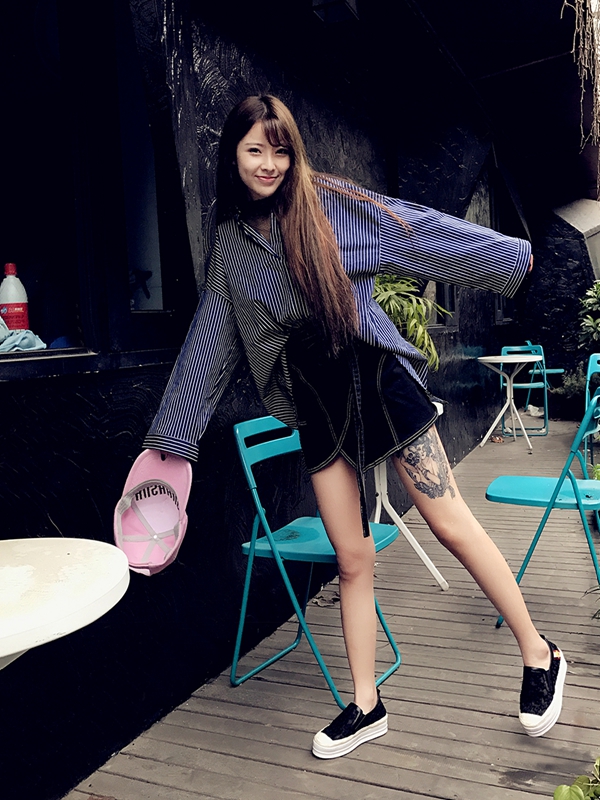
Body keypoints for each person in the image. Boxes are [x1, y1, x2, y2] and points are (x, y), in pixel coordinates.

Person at [123, 94, 566, 758]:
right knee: (352, 559)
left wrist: (513, 263)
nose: (268, 164)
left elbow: (412, 232)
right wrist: (172, 443)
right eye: (254, 150)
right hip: (317, 402)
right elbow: (212, 337)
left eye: (279, 150)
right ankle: (366, 703)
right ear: (232, 155)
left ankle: (539, 653)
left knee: (450, 524)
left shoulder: (326, 204)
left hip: (379, 381)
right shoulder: (231, 245)